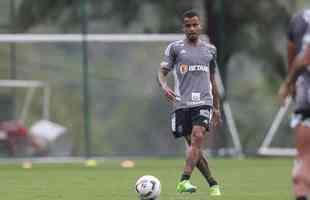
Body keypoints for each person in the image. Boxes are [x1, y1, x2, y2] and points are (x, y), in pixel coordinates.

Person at [157, 10, 221, 195]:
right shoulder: (175, 48)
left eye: (195, 25)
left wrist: (216, 108)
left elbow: (212, 80)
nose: (192, 28)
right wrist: (163, 86)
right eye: (188, 25)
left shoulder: (210, 50)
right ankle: (213, 183)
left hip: (204, 102)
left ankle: (183, 180)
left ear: (200, 26)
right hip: (182, 104)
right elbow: (162, 72)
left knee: (198, 136)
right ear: (183, 28)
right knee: (195, 148)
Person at [279, 9, 310, 200]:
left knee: (305, 155)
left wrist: (288, 83)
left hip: (306, 93)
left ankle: (301, 182)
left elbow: (301, 57)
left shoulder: (299, 19)